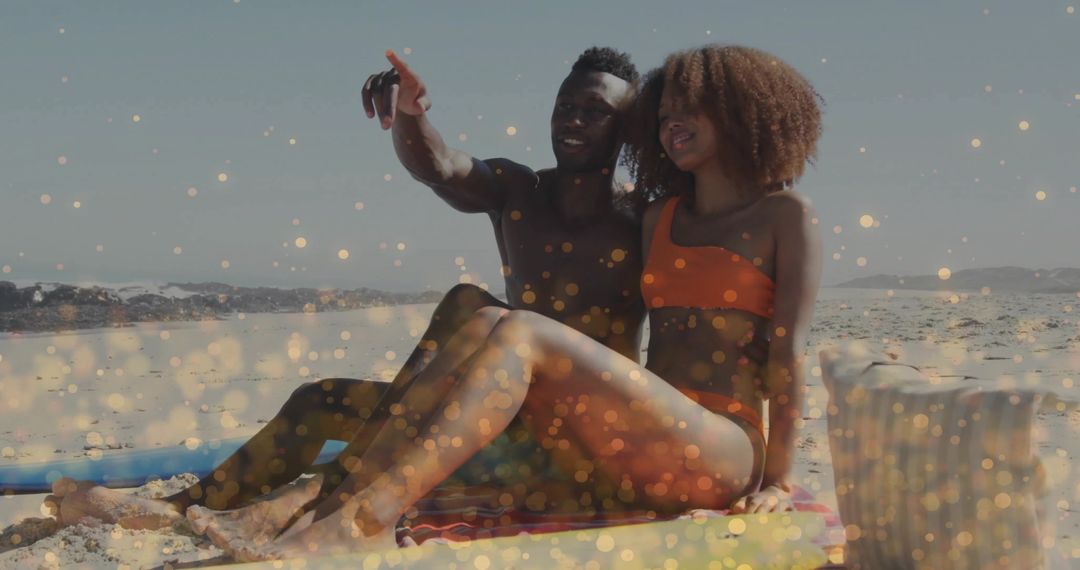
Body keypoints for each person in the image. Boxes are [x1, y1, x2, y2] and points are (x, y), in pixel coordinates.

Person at [212, 43, 824, 562]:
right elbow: (446, 169)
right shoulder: (658, 217)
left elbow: (788, 352)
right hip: (631, 437)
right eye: (664, 115)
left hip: (722, 445)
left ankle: (363, 520)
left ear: (744, 112)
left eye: (692, 111)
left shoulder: (781, 216)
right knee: (476, 311)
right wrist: (409, 116)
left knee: (518, 329)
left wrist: (781, 481)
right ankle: (305, 500)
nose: (673, 124)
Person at [45, 46, 646, 542]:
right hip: (481, 409)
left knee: (472, 309)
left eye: (595, 111)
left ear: (626, 128)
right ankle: (185, 505)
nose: (572, 119)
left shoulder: (641, 221)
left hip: (572, 431)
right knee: (319, 399)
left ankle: (302, 507)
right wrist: (410, 116)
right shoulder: (520, 192)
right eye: (565, 105)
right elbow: (440, 165)